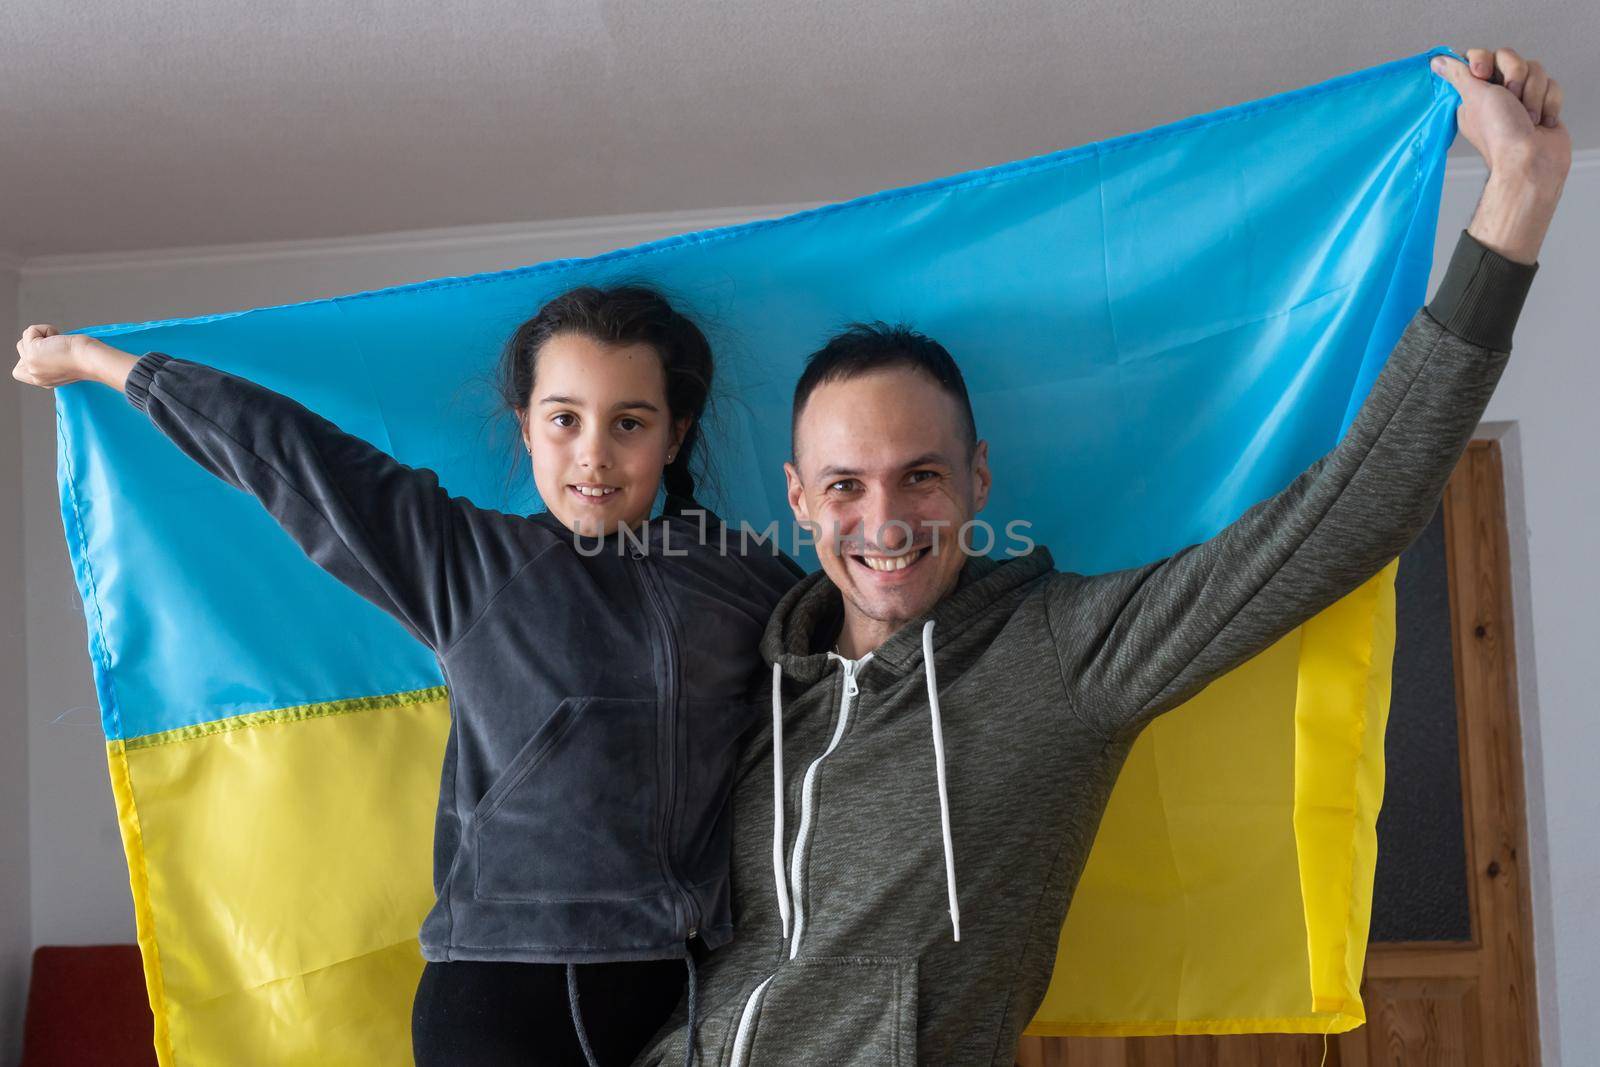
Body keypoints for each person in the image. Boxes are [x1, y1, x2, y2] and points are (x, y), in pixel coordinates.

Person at [631, 46, 1569, 1065]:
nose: (884, 520)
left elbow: (1348, 516)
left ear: (978, 479)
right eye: (846, 485)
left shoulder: (1057, 654)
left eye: (922, 476)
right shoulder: (754, 675)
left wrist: (1515, 202)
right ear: (799, 499)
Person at [13, 286, 802, 1066]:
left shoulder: (744, 577)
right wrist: (97, 361)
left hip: (688, 992)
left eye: (628, 422)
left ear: (675, 435)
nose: (593, 451)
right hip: (501, 1000)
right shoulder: (467, 562)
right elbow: (290, 452)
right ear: (525, 429)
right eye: (565, 418)